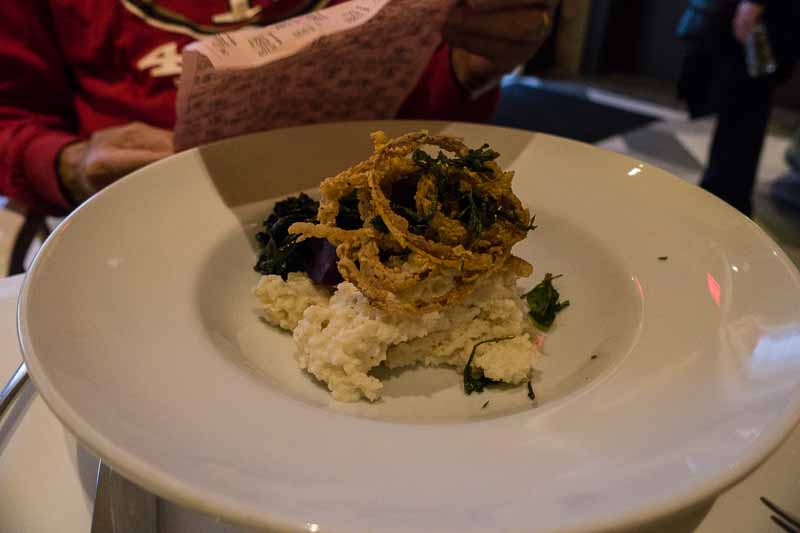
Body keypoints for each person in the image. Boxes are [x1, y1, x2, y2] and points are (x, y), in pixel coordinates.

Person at [0, 0, 555, 215]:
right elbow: (10, 120)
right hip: (138, 219)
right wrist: (66, 163)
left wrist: (469, 68)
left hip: (376, 207)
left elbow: (424, 107)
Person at [677, 0, 798, 217]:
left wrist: (753, 3)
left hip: (761, 17)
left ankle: (724, 203)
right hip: (756, 16)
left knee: (744, 107)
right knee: (740, 108)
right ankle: (724, 199)